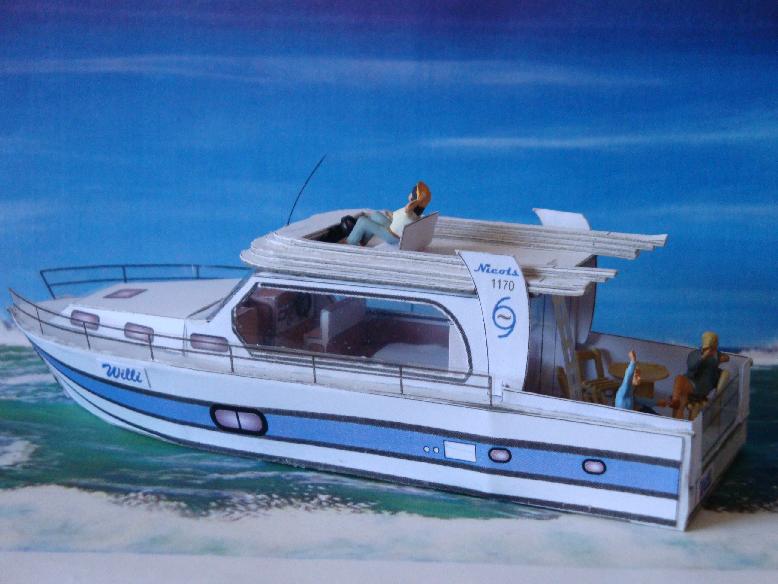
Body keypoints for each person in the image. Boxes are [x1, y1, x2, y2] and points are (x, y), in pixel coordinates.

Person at [346, 181, 431, 246]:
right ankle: (363, 240)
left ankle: (351, 241)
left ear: (414, 197)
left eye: (412, 193)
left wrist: (419, 200)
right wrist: (390, 214)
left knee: (362, 221)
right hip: (391, 226)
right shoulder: (413, 214)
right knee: (376, 215)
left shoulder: (410, 211)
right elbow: (400, 219)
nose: (410, 194)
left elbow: (408, 209)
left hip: (391, 235)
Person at [668, 331, 730, 419]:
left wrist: (720, 358)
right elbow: (691, 366)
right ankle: (675, 402)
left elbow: (726, 358)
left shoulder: (716, 356)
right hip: (691, 382)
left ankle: (675, 401)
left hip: (702, 387)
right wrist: (703, 357)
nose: (709, 350)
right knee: (679, 380)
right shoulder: (695, 354)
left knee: (681, 385)